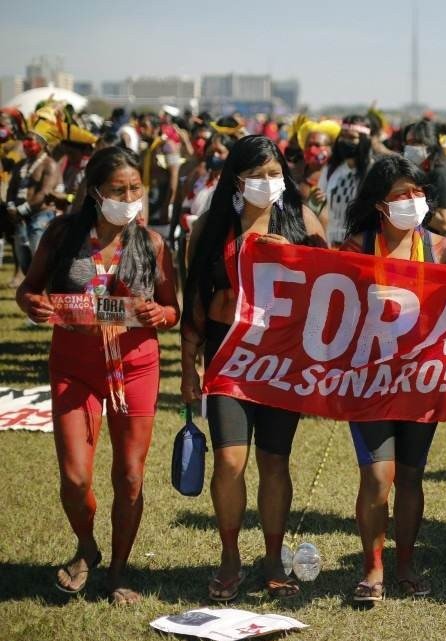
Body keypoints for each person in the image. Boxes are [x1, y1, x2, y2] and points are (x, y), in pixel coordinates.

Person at [15, 146, 180, 604]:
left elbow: (173, 309)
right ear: (94, 192)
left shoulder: (152, 243)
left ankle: (119, 571)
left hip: (135, 366)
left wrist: (160, 315)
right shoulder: (63, 234)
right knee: (75, 478)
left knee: (130, 476)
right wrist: (33, 305)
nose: (129, 198)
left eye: (135, 189)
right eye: (117, 190)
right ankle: (87, 547)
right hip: (74, 366)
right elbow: (29, 289)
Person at [181, 135, 326, 602]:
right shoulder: (210, 227)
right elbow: (195, 299)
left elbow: (330, 286)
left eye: (274, 174)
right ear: (236, 180)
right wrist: (188, 366)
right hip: (230, 355)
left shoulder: (302, 220)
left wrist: (295, 257)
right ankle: (230, 558)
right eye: (256, 175)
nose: (267, 182)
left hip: (283, 359)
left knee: (274, 461)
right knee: (229, 461)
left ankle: (273, 559)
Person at [340, 154, 446, 602]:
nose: (413, 201)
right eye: (401, 195)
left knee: (410, 477)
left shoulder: (441, 248)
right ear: (380, 204)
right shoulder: (356, 248)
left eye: (418, 192)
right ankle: (372, 569)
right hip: (369, 383)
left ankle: (405, 565)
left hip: (420, 382)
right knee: (378, 477)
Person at [6, 116, 61, 280]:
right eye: (25, 141)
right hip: (19, 216)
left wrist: (22, 210)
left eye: (30, 141)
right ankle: (31, 285)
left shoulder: (49, 164)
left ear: (42, 144)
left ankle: (43, 287)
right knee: (23, 256)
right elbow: (11, 189)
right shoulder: (20, 165)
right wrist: (11, 206)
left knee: (38, 254)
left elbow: (44, 192)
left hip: (41, 214)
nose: (26, 144)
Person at [402, 119, 446, 238]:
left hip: (434, 243)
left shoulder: (441, 174)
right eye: (407, 143)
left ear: (430, 144)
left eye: (415, 142)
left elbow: (445, 223)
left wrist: (408, 206)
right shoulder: (416, 172)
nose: (410, 147)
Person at [321, 115, 372, 246]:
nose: (345, 141)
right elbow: (321, 203)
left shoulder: (373, 171)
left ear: (363, 140)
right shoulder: (331, 169)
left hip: (358, 245)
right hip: (331, 243)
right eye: (343, 136)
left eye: (351, 137)